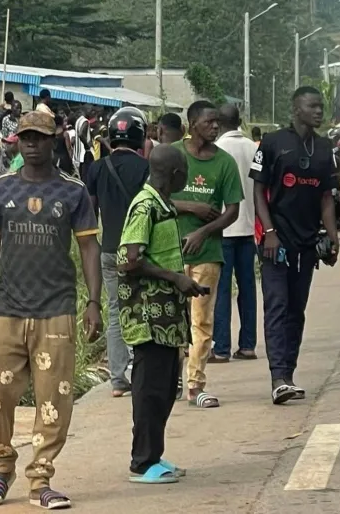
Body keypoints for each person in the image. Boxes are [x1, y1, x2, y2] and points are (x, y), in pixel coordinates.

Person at [0, 111, 102, 509]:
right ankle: (2, 468)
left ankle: (40, 479)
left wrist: (94, 303)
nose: (32, 143)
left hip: (56, 310)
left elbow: (89, 247)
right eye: (26, 137)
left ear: (54, 142)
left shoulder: (73, 192)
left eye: (40, 137)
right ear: (17, 141)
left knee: (54, 399)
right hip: (7, 310)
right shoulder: (0, 189)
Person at [118, 144, 207, 485]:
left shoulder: (163, 204)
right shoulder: (146, 206)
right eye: (185, 171)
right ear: (175, 174)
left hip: (167, 316)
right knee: (150, 390)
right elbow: (130, 259)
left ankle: (153, 454)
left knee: (166, 387)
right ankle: (142, 462)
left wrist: (182, 282)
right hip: (148, 316)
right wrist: (175, 277)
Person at [250, 87, 340, 405]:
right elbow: (258, 192)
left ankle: (289, 373)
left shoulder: (325, 148)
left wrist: (332, 238)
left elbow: (326, 197)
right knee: (277, 306)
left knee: (296, 310)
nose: (318, 111)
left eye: (321, 106)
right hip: (276, 242)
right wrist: (269, 232)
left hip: (307, 244)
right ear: (296, 109)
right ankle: (278, 378)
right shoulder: (273, 143)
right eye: (312, 106)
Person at [171, 101, 243, 409]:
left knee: (201, 321)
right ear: (192, 124)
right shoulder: (172, 155)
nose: (215, 127)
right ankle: (172, 379)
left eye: (217, 123)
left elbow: (233, 211)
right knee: (173, 318)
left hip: (208, 253)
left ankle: (195, 385)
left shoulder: (224, 163)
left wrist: (203, 232)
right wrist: (192, 207)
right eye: (209, 122)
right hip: (170, 254)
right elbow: (154, 197)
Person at [87, 108, 151, 397]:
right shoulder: (145, 168)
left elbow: (90, 211)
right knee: (141, 309)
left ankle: (117, 379)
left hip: (109, 250)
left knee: (115, 311)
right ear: (140, 136)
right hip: (138, 251)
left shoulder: (97, 168)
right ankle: (139, 372)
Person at [212, 104, 259, 362]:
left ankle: (221, 347)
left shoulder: (217, 150)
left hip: (223, 228)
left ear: (218, 122)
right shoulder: (254, 148)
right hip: (248, 227)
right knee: (247, 287)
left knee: (222, 290)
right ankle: (248, 344)